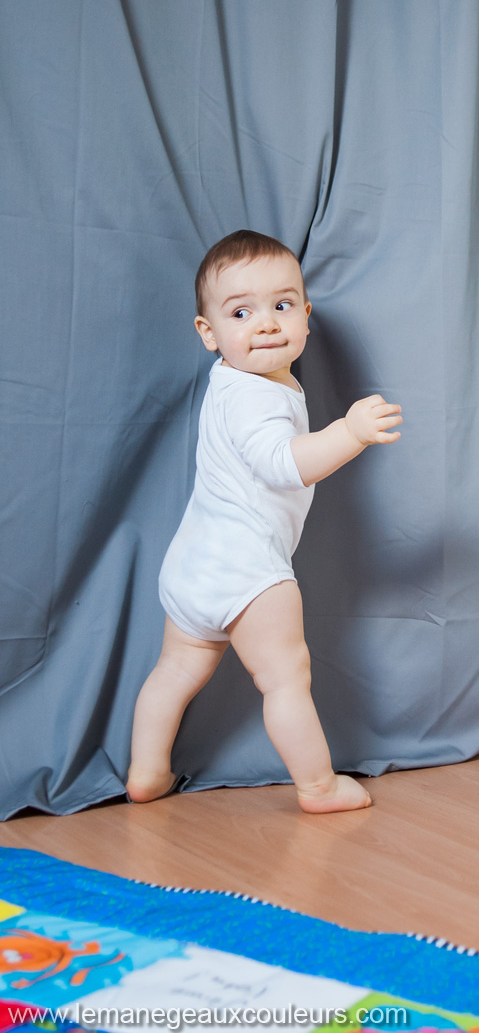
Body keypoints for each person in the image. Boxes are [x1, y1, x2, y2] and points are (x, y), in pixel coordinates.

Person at [126, 230, 402, 813]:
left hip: (192, 564)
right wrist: (348, 433)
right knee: (284, 679)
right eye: (241, 312)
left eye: (281, 306)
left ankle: (147, 771)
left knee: (174, 671)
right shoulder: (255, 396)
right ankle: (319, 786)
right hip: (247, 569)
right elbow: (283, 465)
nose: (267, 324)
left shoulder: (234, 382)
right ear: (209, 333)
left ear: (306, 315)